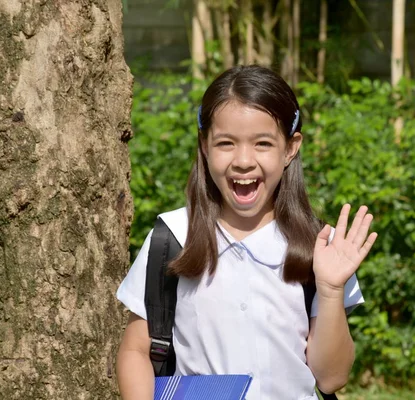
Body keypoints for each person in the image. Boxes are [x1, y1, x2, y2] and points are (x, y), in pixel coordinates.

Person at [115, 65, 377, 400]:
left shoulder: (318, 247)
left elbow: (331, 377)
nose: (243, 160)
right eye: (226, 143)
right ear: (205, 146)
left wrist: (329, 291)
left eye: (263, 143)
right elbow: (136, 350)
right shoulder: (174, 237)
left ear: (291, 148)